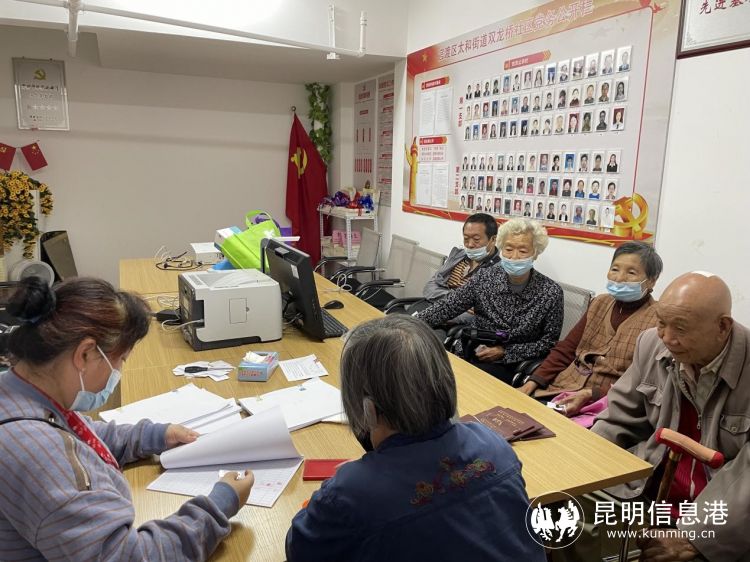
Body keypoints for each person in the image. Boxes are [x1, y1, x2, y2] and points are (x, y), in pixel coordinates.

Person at [0, 277, 254, 560]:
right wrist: (218, 506)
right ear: (85, 354)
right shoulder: (42, 456)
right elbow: (130, 555)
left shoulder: (19, 391)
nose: (118, 371)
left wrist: (153, 436)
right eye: (120, 360)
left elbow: (80, 435)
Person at [286, 316, 546, 562]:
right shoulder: (493, 443)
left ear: (368, 410)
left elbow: (299, 551)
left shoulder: (350, 492)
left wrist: (329, 495)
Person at [591, 272, 750, 562]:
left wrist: (693, 537)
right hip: (648, 491)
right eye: (661, 322)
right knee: (565, 523)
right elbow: (617, 418)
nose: (666, 338)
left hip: (720, 514)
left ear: (722, 327)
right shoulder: (651, 344)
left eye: (680, 328)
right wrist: (579, 470)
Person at [520, 243, 662, 413]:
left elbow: (643, 382)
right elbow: (566, 349)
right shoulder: (600, 302)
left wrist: (593, 394)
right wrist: (532, 382)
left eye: (631, 272)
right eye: (615, 269)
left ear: (652, 280)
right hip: (563, 389)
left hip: (608, 404)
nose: (619, 278)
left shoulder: (658, 319)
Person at [418, 220, 563, 384]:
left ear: (535, 253)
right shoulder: (485, 278)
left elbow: (548, 343)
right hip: (471, 352)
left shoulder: (550, 292)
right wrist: (409, 324)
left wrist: (505, 352)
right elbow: (447, 307)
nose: (514, 257)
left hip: (511, 365)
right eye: (508, 249)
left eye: (523, 251)